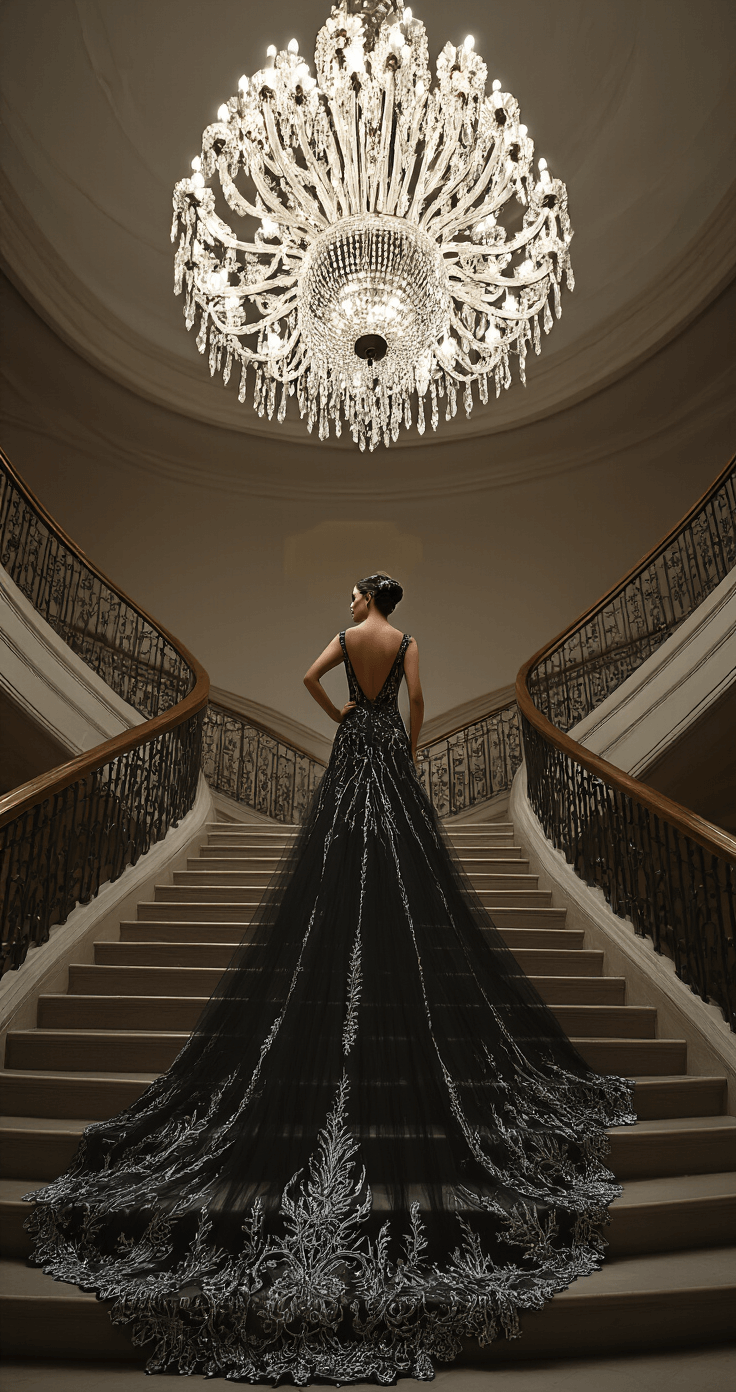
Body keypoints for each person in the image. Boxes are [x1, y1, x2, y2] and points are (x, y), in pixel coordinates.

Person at [25, 572, 635, 1385]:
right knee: (408, 873)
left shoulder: (349, 645)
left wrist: (341, 714)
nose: (349, 604)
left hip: (353, 752)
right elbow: (417, 709)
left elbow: (308, 682)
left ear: (365, 602)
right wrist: (403, 743)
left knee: (333, 865)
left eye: (353, 595)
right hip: (388, 753)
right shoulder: (408, 646)